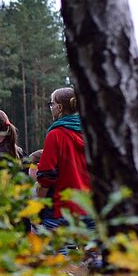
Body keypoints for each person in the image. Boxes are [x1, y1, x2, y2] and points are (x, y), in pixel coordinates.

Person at [36, 87, 92, 230]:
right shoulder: (91, 134)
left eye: (52, 104)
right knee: (91, 252)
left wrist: (38, 203)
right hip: (90, 207)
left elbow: (46, 175)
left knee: (59, 252)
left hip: (61, 209)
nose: (51, 107)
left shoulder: (55, 134)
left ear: (60, 107)